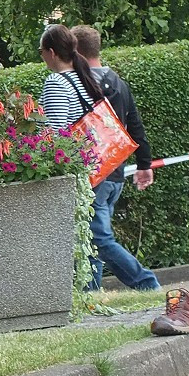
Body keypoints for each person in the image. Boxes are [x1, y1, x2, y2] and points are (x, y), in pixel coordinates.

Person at [71, 24, 160, 291]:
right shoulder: (119, 83)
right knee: (91, 237)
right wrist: (144, 165)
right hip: (116, 172)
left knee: (99, 238)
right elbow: (136, 126)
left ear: (75, 52)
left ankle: (146, 283)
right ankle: (90, 292)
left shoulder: (81, 85)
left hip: (95, 174)